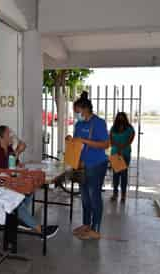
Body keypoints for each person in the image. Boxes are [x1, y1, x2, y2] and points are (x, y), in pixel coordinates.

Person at [0, 125, 59, 238]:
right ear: (1, 137)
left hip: (11, 182)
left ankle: (20, 218)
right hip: (0, 186)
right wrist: (18, 152)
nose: (11, 136)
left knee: (30, 190)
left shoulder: (9, 148)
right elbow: (5, 168)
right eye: (8, 134)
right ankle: (40, 230)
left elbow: (16, 164)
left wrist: (20, 161)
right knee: (18, 203)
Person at [66, 92, 109, 240]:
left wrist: (85, 141)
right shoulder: (79, 124)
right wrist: (71, 140)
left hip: (97, 165)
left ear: (85, 109)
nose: (76, 114)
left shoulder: (98, 123)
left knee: (94, 196)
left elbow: (105, 144)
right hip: (82, 166)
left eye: (77, 111)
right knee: (85, 197)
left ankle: (95, 229)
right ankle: (86, 225)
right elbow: (78, 142)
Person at [110, 112, 135, 203]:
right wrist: (117, 146)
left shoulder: (129, 128)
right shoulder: (113, 128)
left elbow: (131, 139)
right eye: (119, 118)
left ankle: (123, 195)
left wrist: (122, 147)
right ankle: (115, 193)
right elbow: (111, 140)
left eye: (122, 118)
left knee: (124, 175)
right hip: (115, 153)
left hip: (125, 154)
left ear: (125, 118)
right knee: (115, 175)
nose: (121, 119)